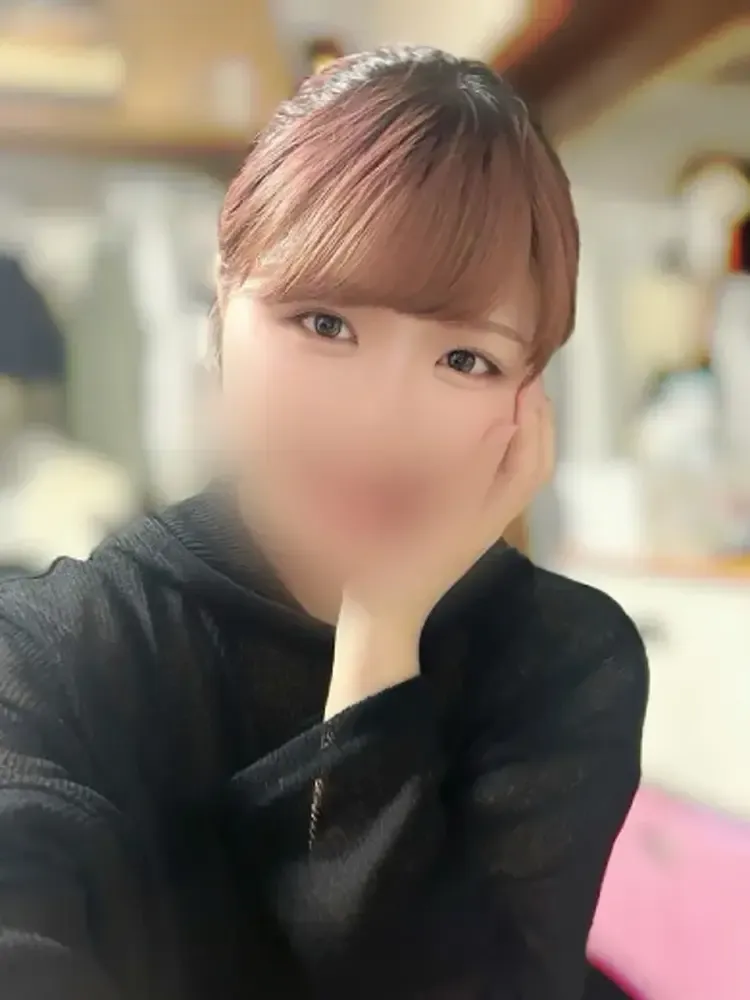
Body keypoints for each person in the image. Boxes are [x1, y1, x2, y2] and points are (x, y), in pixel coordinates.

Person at [0, 46, 647, 1000]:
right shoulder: (53, 652)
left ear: (527, 398)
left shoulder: (560, 655)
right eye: (325, 323)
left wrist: (380, 634)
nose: (378, 421)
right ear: (222, 305)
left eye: (465, 359)